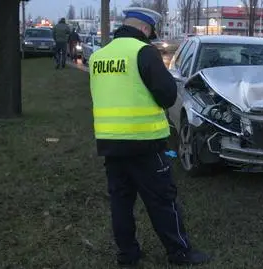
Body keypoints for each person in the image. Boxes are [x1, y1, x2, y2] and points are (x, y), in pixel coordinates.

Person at [88, 7, 210, 268]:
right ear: (145, 29)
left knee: (121, 204)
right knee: (162, 202)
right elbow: (167, 95)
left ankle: (127, 256)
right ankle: (180, 253)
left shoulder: (99, 56)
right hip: (145, 144)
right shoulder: (143, 52)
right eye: (151, 33)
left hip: (110, 144)